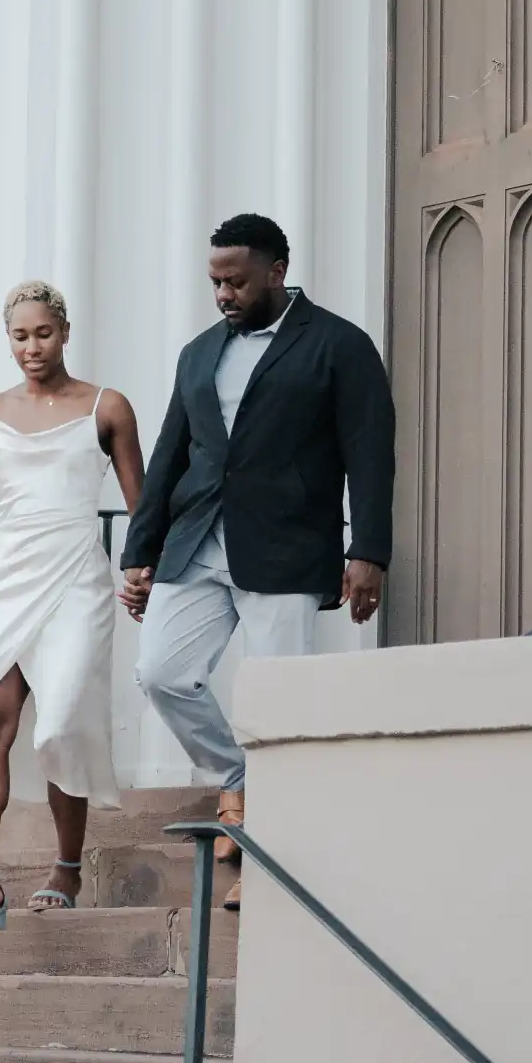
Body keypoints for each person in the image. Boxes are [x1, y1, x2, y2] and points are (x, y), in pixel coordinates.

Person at [121, 213, 394, 903]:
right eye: (215, 282)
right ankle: (242, 780)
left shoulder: (339, 344)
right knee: (161, 673)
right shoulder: (199, 352)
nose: (223, 295)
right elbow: (171, 454)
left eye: (236, 282)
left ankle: (270, 856)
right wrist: (140, 550)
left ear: (276, 272)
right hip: (197, 542)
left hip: (286, 545)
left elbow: (370, 454)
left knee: (277, 695)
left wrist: (368, 550)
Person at [0, 282, 144, 932]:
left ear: (64, 332)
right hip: (8, 583)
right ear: (7, 340)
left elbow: (143, 506)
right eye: (19, 336)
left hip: (77, 580)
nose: (31, 347)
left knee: (63, 724)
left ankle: (67, 865)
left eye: (43, 333)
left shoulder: (108, 407)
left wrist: (142, 571)